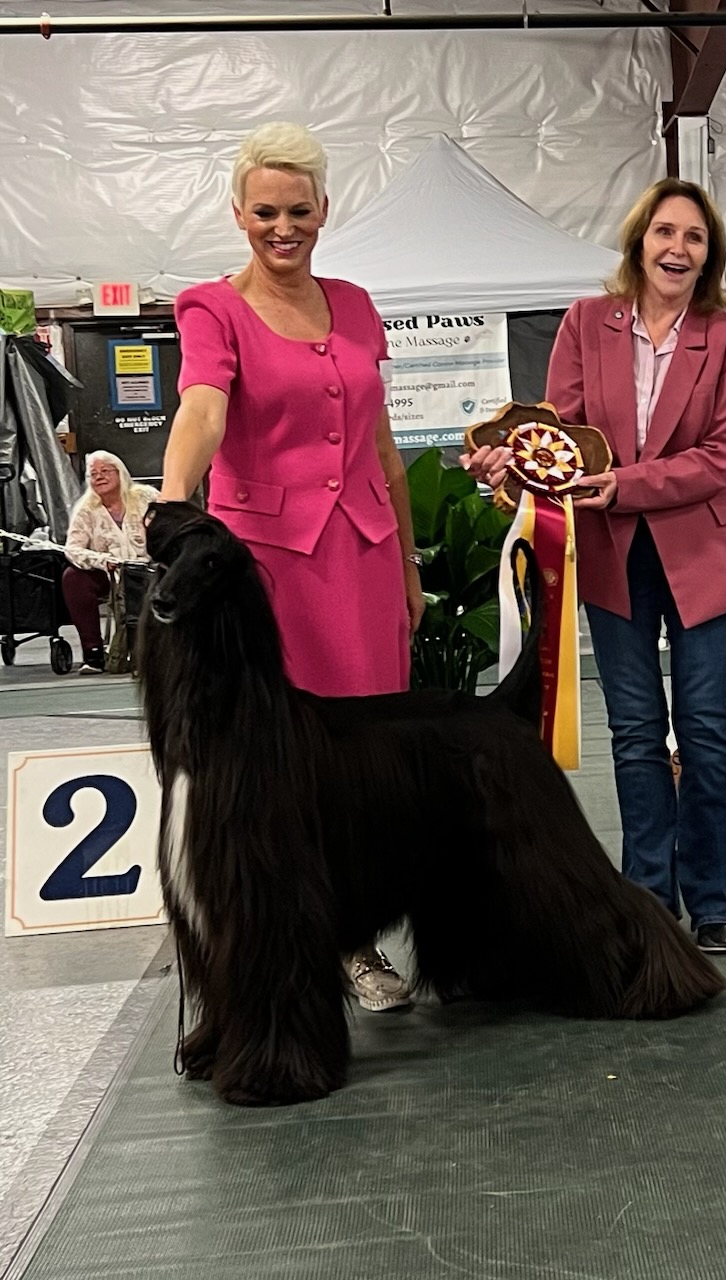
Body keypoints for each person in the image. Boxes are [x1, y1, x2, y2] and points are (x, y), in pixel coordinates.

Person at [160, 122, 424, 1012]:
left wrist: (409, 566)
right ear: (238, 213)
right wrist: (173, 503)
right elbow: (202, 409)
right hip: (267, 573)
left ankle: (356, 937)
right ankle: (287, 944)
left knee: (366, 764)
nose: (284, 228)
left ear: (323, 211)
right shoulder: (212, 308)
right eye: (266, 212)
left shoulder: (355, 303)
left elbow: (382, 448)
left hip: (367, 558)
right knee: (279, 767)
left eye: (299, 211)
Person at [464, 179, 726, 954]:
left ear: (709, 255)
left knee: (704, 730)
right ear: (638, 241)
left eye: (693, 237)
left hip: (703, 555)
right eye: (665, 232)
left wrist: (625, 486)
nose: (677, 248)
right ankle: (648, 894)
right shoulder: (585, 322)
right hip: (609, 555)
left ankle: (712, 895)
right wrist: (510, 461)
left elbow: (723, 455)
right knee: (634, 733)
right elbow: (558, 433)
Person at [62, 451, 157, 674]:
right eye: (93, 474)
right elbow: (72, 549)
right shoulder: (86, 509)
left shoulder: (146, 497)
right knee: (72, 578)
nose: (99, 477)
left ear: (120, 472)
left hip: (149, 571)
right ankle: (93, 653)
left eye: (105, 471)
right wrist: (103, 561)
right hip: (110, 574)